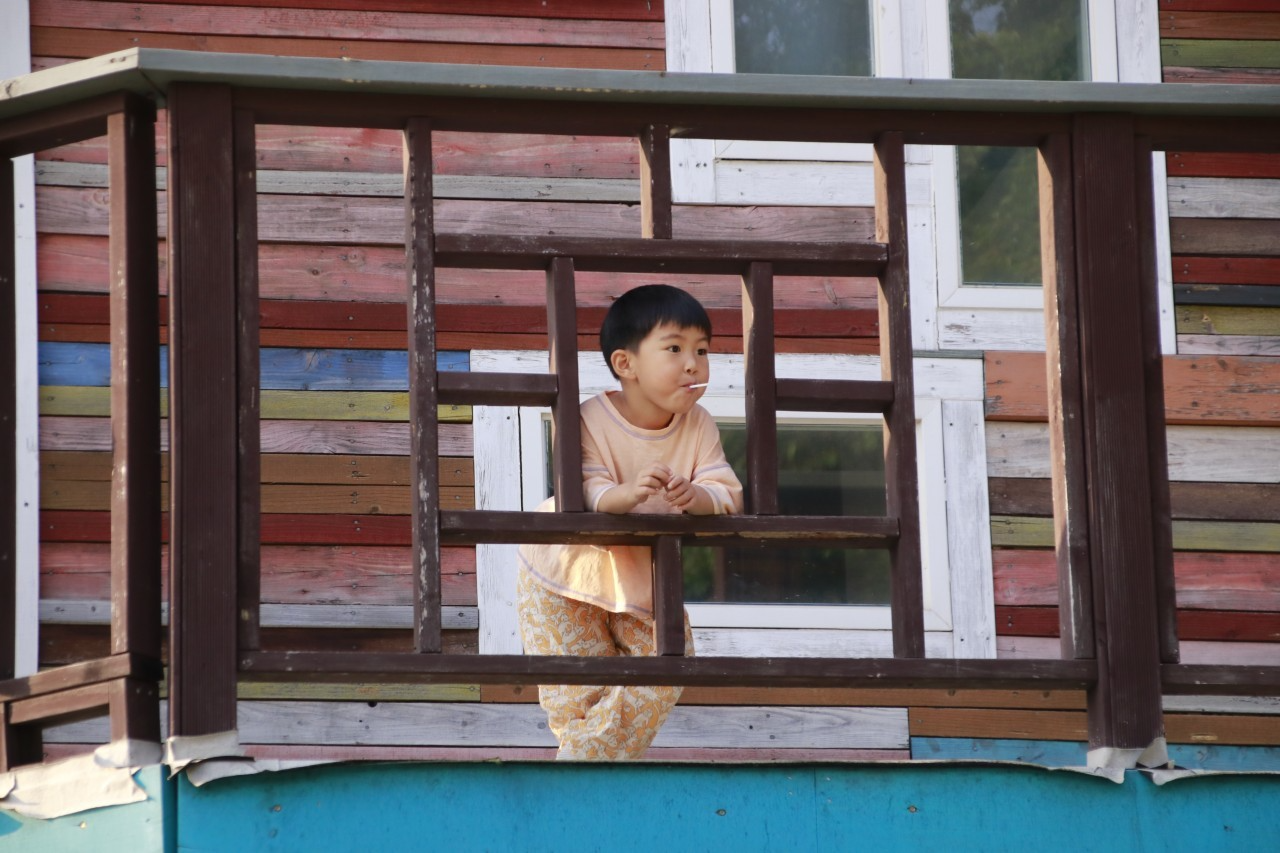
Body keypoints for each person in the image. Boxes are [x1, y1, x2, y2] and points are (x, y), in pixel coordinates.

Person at [516, 284, 744, 760]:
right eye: (675, 349)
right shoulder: (589, 417)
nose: (693, 364)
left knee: (668, 662)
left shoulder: (699, 423)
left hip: (643, 572)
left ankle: (577, 766)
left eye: (703, 351)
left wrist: (697, 496)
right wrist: (628, 494)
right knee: (575, 690)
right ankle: (587, 767)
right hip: (566, 566)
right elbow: (584, 486)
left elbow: (726, 492)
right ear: (626, 364)